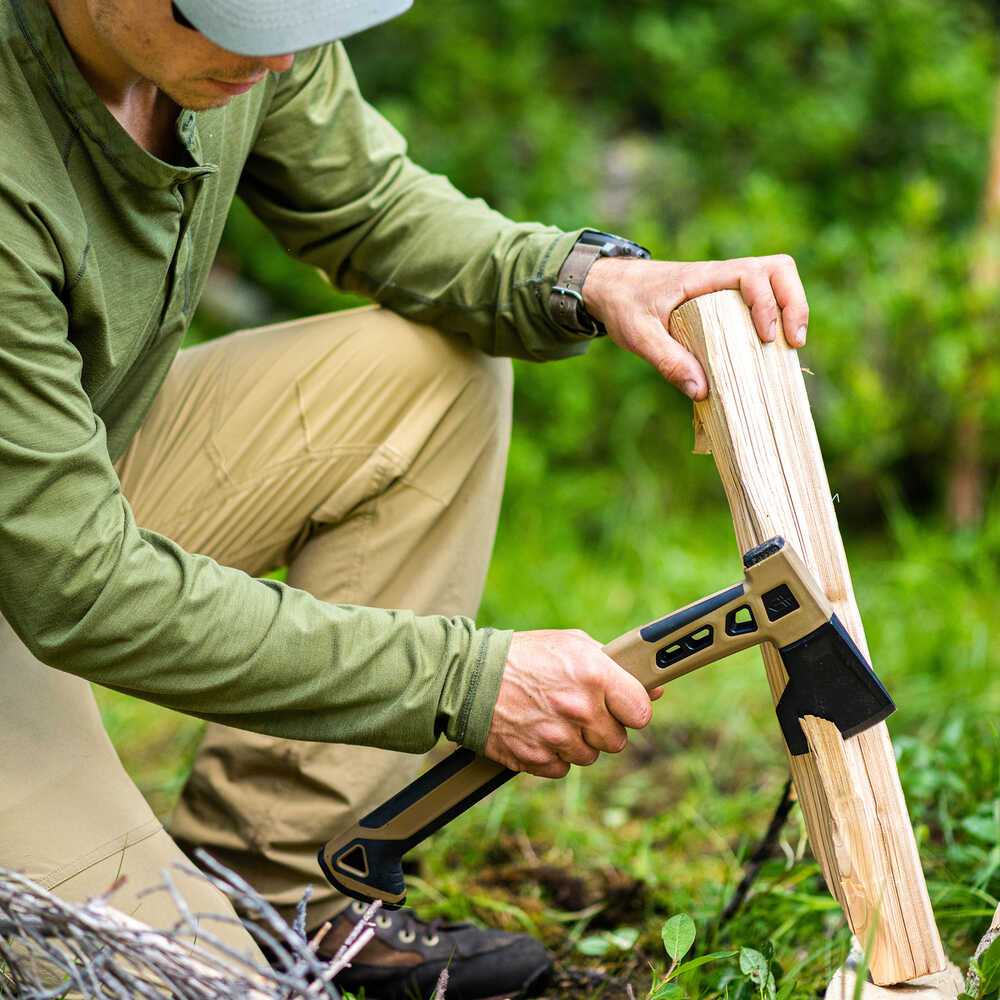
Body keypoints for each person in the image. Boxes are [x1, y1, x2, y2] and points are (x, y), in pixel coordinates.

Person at [0, 0, 809, 997]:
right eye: (235, 15)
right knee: (192, 982)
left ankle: (278, 887)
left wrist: (589, 279)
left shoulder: (250, 38)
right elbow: (75, 584)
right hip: (44, 562)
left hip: (52, 483)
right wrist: (464, 679)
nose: (283, 50)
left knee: (431, 377)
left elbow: (374, 206)